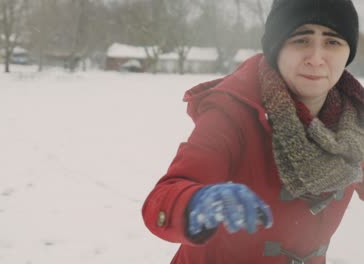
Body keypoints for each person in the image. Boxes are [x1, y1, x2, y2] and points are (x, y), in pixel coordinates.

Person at [141, 0, 364, 263]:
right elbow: (162, 199)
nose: (316, 59)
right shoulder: (233, 112)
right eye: (301, 40)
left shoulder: (356, 125)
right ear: (276, 47)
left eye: (332, 42)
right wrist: (194, 203)